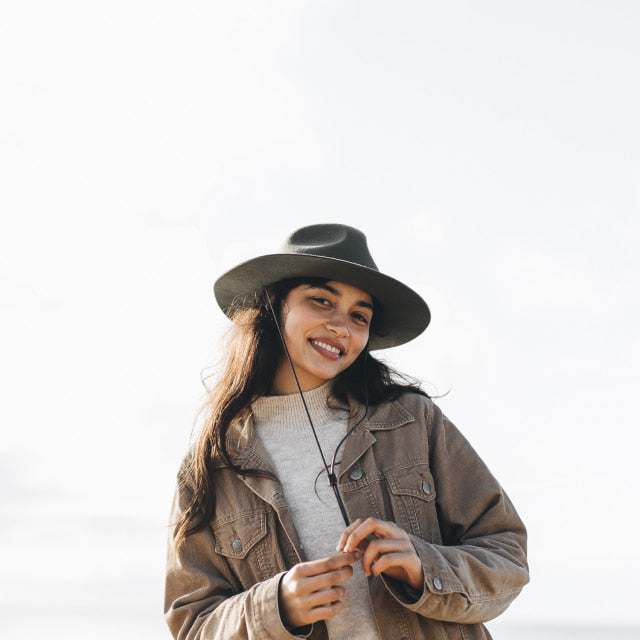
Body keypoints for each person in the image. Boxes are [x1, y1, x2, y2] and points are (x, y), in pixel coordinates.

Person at [164, 223, 529, 640]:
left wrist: (421, 565)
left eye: (360, 316)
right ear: (273, 306)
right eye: (321, 301)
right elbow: (191, 623)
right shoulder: (212, 464)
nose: (342, 326)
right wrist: (275, 605)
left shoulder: (412, 421)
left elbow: (508, 554)